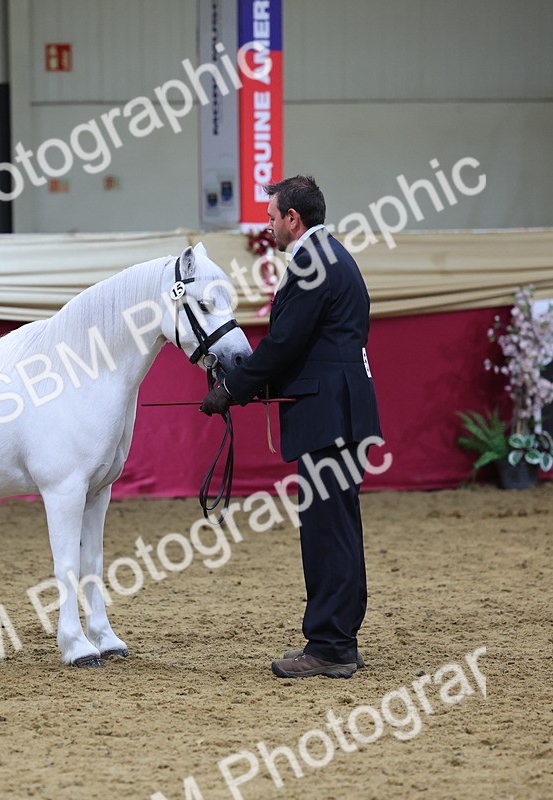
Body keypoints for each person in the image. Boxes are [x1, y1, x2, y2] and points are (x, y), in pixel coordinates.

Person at [200, 175, 382, 679]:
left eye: (272, 215)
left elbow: (284, 344)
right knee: (338, 528)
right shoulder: (336, 255)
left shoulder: (309, 262)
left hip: (328, 412)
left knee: (327, 531)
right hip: (344, 407)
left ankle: (330, 646)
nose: (269, 224)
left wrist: (231, 390)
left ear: (292, 219)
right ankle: (339, 638)